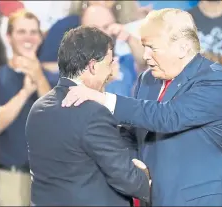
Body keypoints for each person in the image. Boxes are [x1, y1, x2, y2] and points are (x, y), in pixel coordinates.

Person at [62, 8, 222, 206]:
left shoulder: (215, 80)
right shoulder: (147, 80)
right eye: (144, 46)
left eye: (152, 47)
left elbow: (169, 117)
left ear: (182, 47)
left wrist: (103, 99)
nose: (145, 55)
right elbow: (132, 134)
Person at [26, 26, 150, 206]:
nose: (110, 73)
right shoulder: (92, 112)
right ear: (92, 66)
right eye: (109, 64)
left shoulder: (38, 108)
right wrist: (144, 174)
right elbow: (129, 180)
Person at [0, 9, 57, 206]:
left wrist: (38, 76)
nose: (28, 38)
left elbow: (57, 119)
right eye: (21, 32)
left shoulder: (54, 80)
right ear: (8, 37)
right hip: (8, 178)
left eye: (33, 32)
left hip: (48, 180)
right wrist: (24, 92)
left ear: (40, 38)